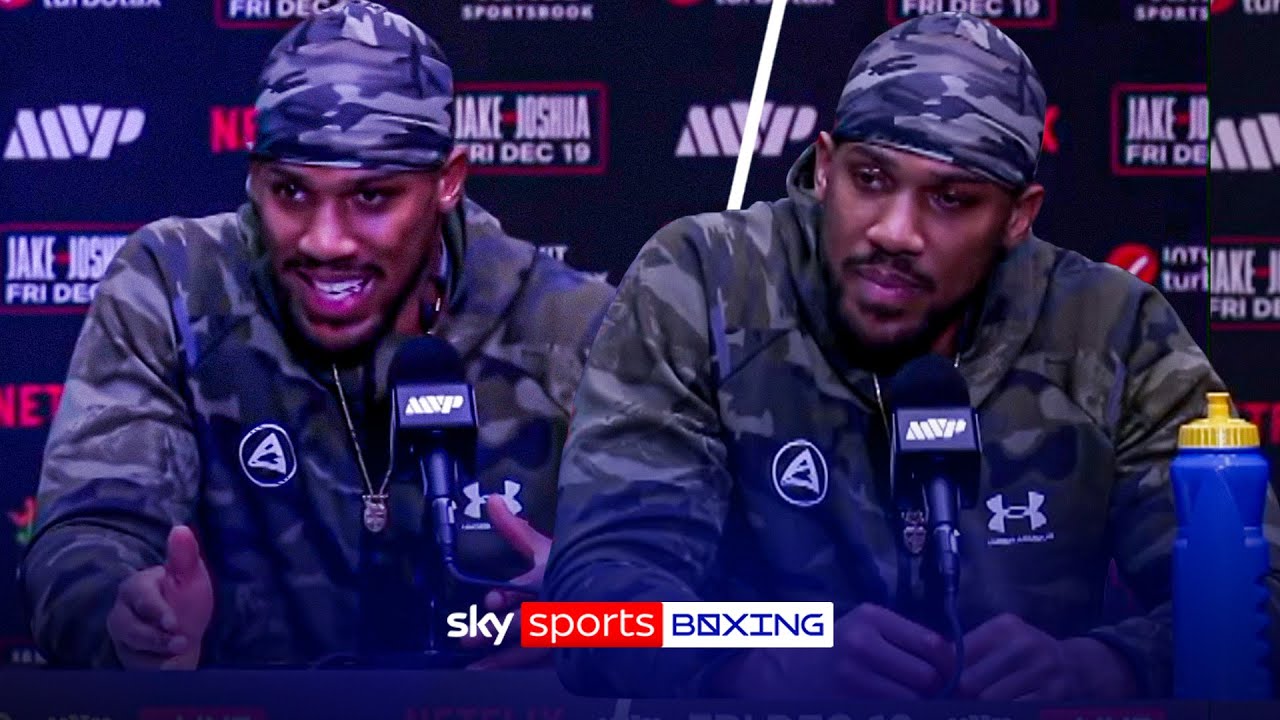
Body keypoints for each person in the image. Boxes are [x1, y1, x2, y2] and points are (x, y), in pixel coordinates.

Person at [545, 12, 1280, 700]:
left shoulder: (1110, 327)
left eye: (952, 199)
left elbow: (1262, 602)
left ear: (1018, 216)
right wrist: (774, 648)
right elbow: (589, 616)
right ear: (825, 168)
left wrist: (1100, 666)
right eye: (870, 179)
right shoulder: (705, 283)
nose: (896, 231)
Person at [21, 0, 612, 670]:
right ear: (254, 178)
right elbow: (85, 537)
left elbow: (698, 616)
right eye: (292, 193)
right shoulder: (177, 288)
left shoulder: (572, 326)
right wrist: (125, 618)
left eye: (372, 197)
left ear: (447, 183)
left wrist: (589, 618)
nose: (325, 242)